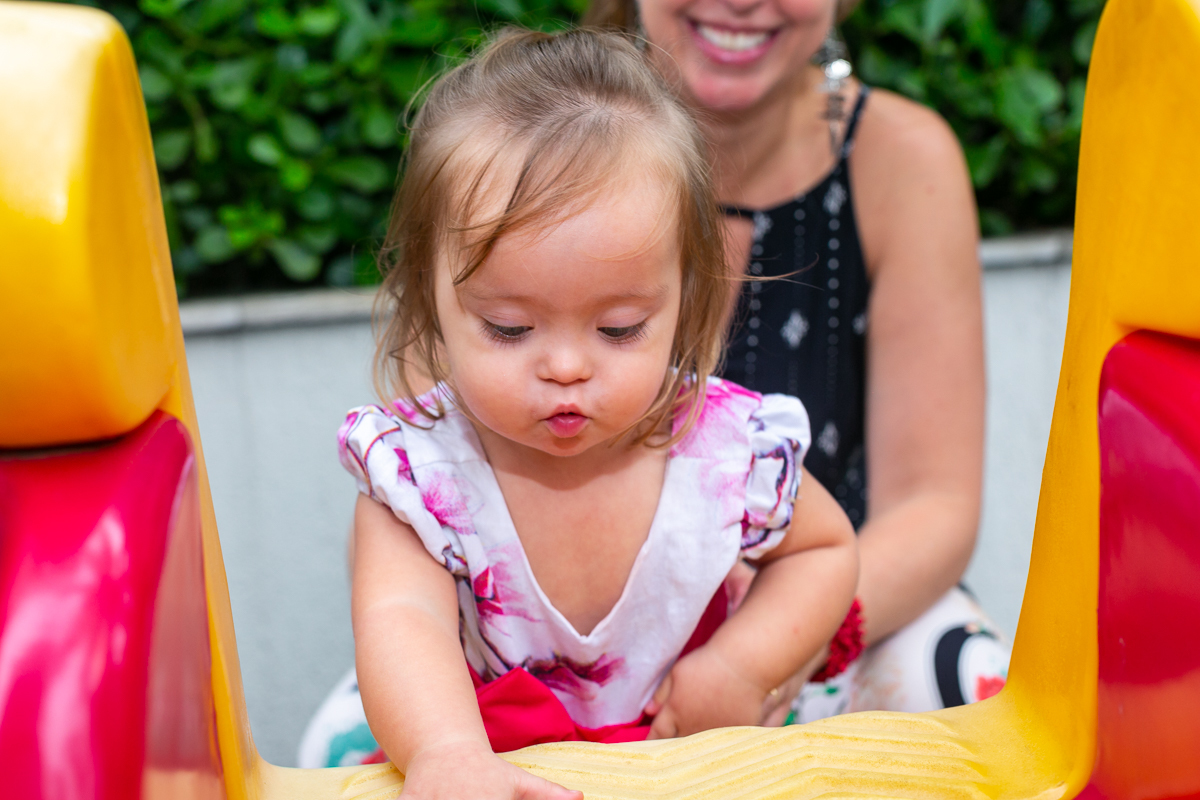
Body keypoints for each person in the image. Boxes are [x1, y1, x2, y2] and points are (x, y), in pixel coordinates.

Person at [297, 28, 859, 786]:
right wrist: (445, 751)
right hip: (500, 769)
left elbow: (825, 551)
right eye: (510, 328)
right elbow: (403, 621)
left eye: (620, 329)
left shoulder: (726, 451)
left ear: (685, 298)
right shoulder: (421, 479)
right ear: (430, 301)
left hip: (688, 766)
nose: (565, 367)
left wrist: (743, 664)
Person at [582, 0, 1010, 719]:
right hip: (557, 630)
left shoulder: (901, 160)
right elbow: (423, 476)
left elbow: (933, 505)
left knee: (965, 685)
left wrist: (776, 646)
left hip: (837, 617)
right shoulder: (526, 146)